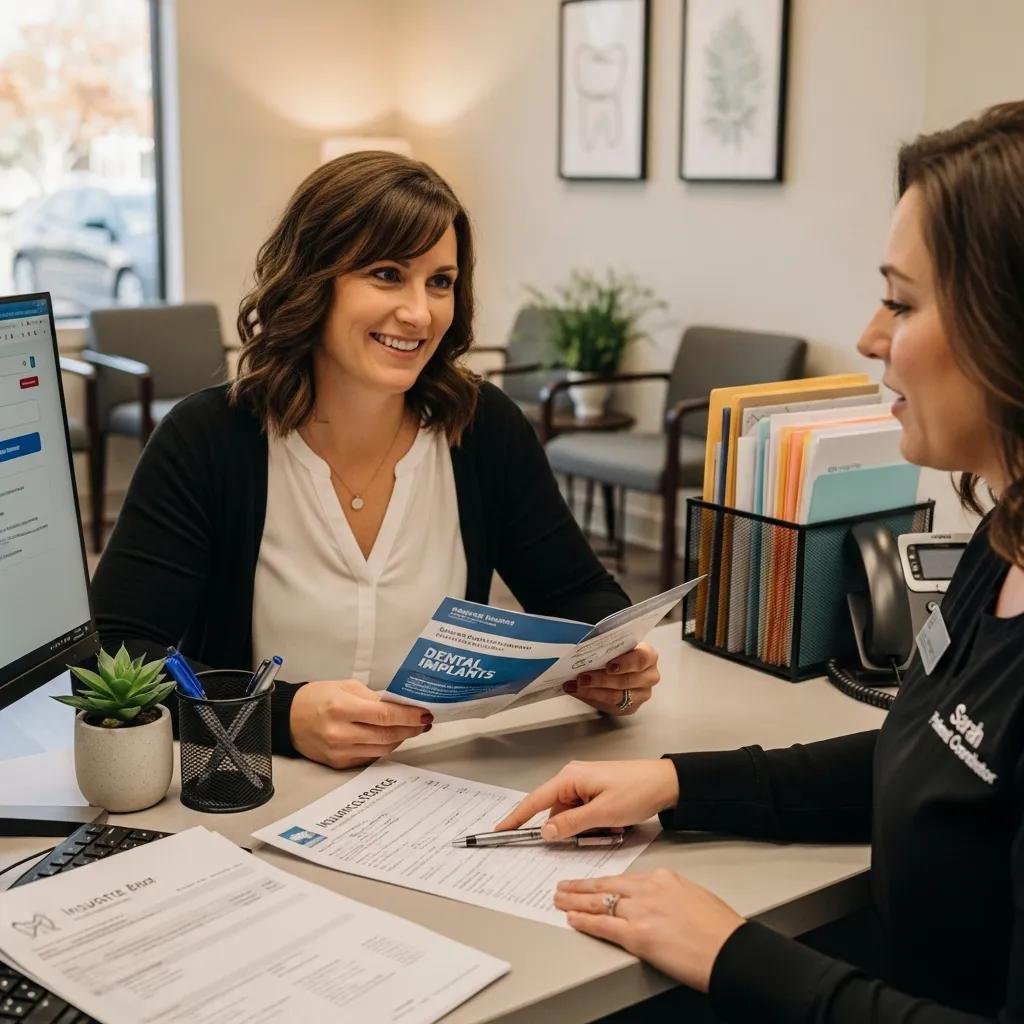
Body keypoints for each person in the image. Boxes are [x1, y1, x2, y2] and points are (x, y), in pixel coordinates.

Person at [496, 101, 1024, 1023]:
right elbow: (928, 755)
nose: (868, 336)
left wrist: (734, 952)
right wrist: (679, 782)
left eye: (901, 301)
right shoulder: (1000, 539)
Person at [91, 151, 661, 769]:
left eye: (440, 282)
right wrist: (279, 715)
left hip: (440, 790)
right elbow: (112, 652)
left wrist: (617, 662)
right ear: (312, 280)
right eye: (387, 274)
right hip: (259, 792)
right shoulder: (208, 439)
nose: (419, 313)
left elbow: (576, 591)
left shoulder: (483, 426)